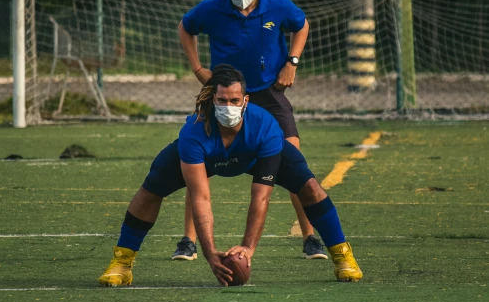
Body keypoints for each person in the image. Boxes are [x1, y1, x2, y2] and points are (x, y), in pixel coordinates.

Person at [98, 65, 362, 287]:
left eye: (235, 100)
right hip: (209, 155)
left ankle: (342, 255)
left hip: (255, 153)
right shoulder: (194, 130)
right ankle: (122, 262)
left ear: (245, 101)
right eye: (222, 100)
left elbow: (261, 197)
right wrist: (210, 253)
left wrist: (248, 248)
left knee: (311, 187)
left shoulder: (266, 127)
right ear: (213, 100)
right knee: (149, 192)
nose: (228, 106)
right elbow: (200, 198)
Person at [173, 0, 327, 264]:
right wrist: (197, 68)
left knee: (294, 161)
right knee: (198, 164)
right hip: (224, 94)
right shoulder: (212, 9)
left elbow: (302, 25)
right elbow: (185, 27)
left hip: (268, 92)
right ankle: (188, 241)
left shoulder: (278, 5)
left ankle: (311, 237)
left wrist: (292, 63)